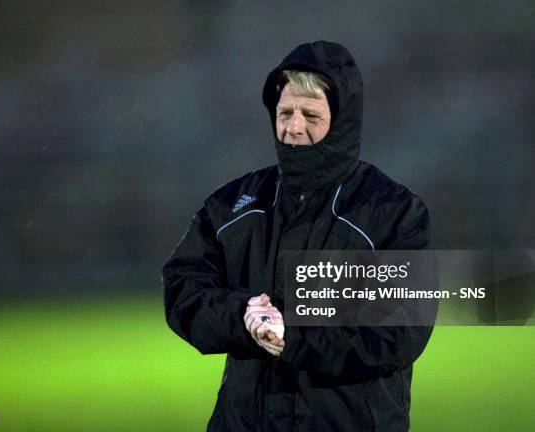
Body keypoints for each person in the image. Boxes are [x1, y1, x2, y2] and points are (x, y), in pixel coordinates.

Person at [163, 41, 433, 432]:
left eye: (310, 114)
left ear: (341, 121)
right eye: (285, 112)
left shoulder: (393, 212)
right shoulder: (234, 205)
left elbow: (401, 329)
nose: (293, 126)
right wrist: (244, 315)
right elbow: (184, 289)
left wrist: (294, 332)